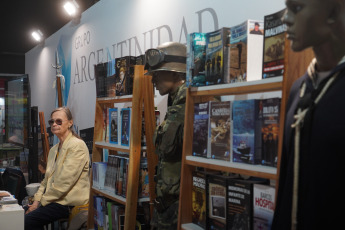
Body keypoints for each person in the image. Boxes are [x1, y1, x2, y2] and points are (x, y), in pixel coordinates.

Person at [272, 0, 345, 230]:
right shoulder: (299, 89)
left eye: (297, 8)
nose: (285, 18)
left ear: (333, 13)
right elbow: (286, 182)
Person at [144, 42, 187, 230]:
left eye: (158, 74)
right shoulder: (175, 102)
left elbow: (165, 147)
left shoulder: (187, 103)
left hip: (179, 205)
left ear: (176, 73)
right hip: (169, 203)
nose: (153, 80)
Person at [25, 107, 90, 230]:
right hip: (54, 200)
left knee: (26, 221)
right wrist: (36, 202)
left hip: (67, 203)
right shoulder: (54, 149)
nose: (54, 124)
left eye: (59, 121)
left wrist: (41, 203)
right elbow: (46, 180)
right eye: (52, 122)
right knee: (18, 214)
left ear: (70, 122)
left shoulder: (77, 146)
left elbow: (64, 184)